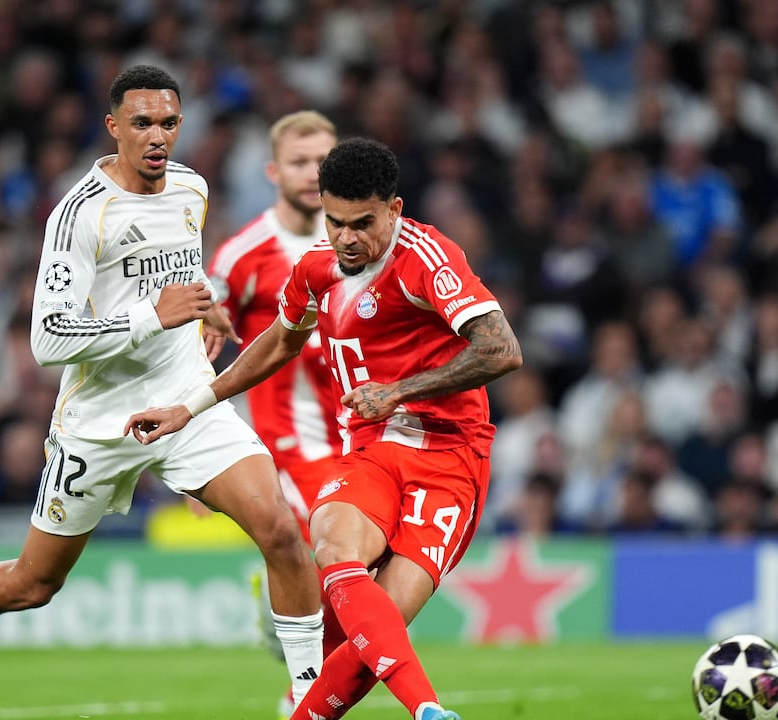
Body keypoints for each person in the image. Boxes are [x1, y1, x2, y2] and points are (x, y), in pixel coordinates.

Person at [0, 65, 324, 719]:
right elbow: (49, 339)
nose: (157, 135)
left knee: (279, 529)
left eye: (167, 122)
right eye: (142, 123)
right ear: (114, 128)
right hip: (100, 421)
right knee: (34, 583)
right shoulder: (79, 215)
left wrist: (206, 305)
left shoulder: (191, 189)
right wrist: (151, 316)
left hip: (185, 399)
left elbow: (176, 271)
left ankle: (311, 701)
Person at [125, 138, 523, 720]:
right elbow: (280, 342)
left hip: (450, 458)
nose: (346, 238)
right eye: (335, 222)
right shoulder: (317, 268)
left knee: (368, 635)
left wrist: (397, 392)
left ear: (394, 209)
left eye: (362, 223)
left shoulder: (428, 259)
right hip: (370, 450)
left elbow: (502, 349)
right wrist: (191, 406)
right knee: (333, 547)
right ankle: (429, 711)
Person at [208, 110, 346, 716]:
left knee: (360, 578)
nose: (314, 173)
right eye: (299, 161)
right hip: (288, 442)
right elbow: (201, 339)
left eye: (324, 160)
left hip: (360, 436)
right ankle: (302, 694)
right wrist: (204, 439)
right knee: (349, 566)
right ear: (272, 171)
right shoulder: (246, 253)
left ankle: (284, 606)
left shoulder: (360, 240)